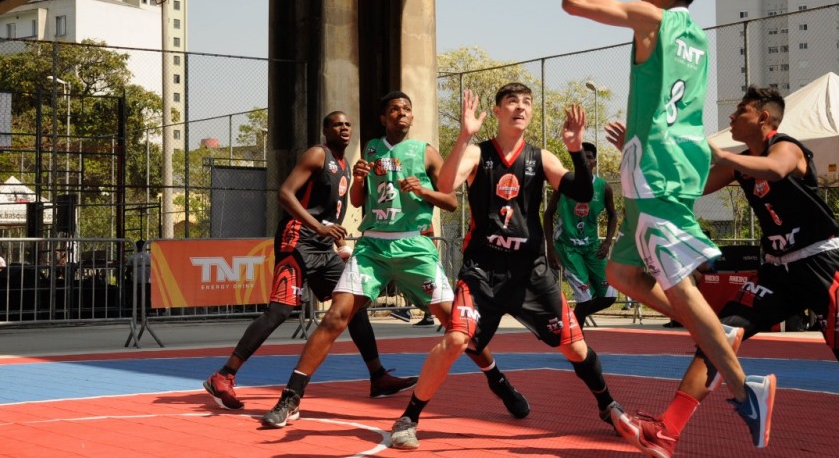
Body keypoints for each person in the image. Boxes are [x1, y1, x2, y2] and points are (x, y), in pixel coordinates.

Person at [559, 0, 775, 452]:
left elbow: (574, 2)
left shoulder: (652, 21)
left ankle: (742, 379)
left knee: (679, 286)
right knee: (622, 275)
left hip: (655, 172)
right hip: (672, 163)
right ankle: (707, 326)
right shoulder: (694, 35)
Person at [261, 92, 527, 429]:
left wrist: (423, 191)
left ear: (412, 118)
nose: (401, 113)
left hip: (414, 247)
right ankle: (291, 397)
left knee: (457, 325)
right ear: (384, 119)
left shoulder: (425, 152)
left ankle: (498, 381)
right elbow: (358, 201)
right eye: (393, 110)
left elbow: (450, 201)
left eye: (406, 109)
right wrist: (358, 180)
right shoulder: (371, 149)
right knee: (336, 316)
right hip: (374, 247)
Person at [606, 86, 839, 457]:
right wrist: (638, 156)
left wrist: (721, 154)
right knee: (719, 336)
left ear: (764, 118)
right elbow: (686, 186)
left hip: (821, 265)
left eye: (740, 111)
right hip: (776, 272)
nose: (730, 118)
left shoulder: (786, 147)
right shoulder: (738, 164)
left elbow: (776, 169)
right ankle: (667, 431)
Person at [387, 86, 622, 450]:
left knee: (576, 350)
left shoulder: (541, 157)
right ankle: (409, 417)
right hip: (483, 271)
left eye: (527, 103)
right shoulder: (478, 154)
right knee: (456, 339)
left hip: (531, 273)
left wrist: (575, 150)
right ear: (496, 111)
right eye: (512, 102)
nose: (521, 107)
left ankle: (607, 404)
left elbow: (583, 193)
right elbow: (445, 185)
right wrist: (464, 135)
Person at [204, 111, 416, 410]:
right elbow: (285, 194)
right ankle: (223, 375)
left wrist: (339, 242)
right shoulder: (318, 155)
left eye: (347, 124)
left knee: (353, 306)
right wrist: (319, 227)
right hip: (297, 240)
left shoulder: (345, 167)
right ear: (325, 130)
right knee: (279, 311)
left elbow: (333, 212)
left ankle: (378, 376)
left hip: (322, 246)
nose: (344, 128)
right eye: (336, 124)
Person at [543, 141, 619, 328]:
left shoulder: (603, 187)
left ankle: (570, 322)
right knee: (584, 299)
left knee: (609, 296)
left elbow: (613, 214)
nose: (586, 160)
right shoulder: (564, 183)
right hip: (567, 246)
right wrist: (550, 250)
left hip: (592, 246)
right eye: (582, 157)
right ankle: (577, 338)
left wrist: (608, 241)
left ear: (594, 162)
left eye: (590, 157)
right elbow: (548, 213)